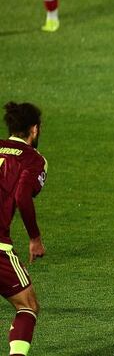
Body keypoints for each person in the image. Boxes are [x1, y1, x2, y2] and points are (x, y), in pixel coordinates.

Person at [0, 102, 48, 355]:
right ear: (34, 130)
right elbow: (22, 196)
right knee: (27, 305)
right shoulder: (33, 159)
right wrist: (35, 239)